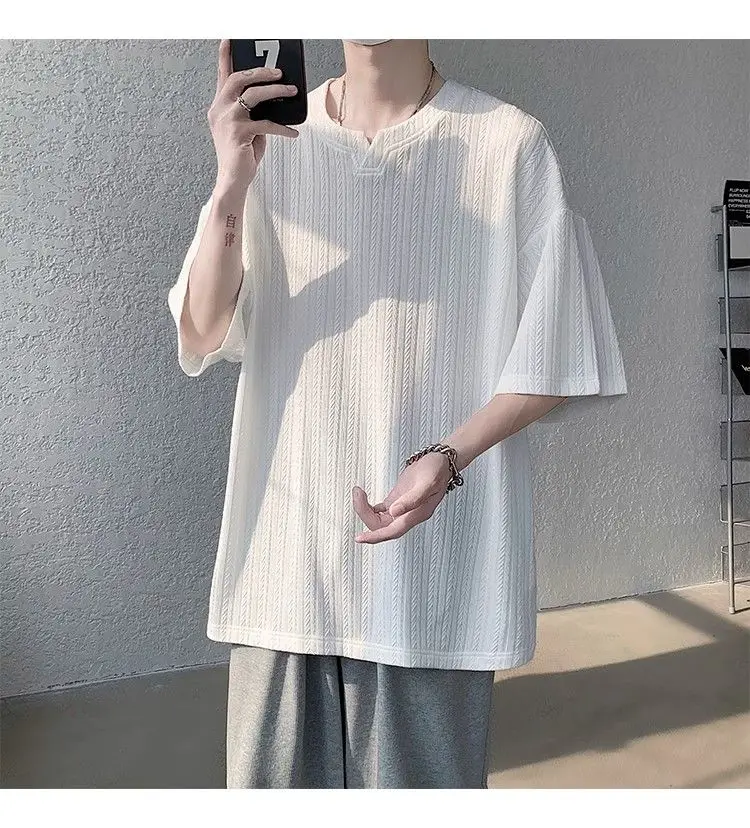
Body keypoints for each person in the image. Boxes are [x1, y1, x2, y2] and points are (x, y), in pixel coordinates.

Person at [166, 38, 628, 789]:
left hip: (429, 576)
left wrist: (447, 458)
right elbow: (202, 329)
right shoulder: (274, 144)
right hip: (285, 565)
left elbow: (558, 352)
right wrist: (230, 182)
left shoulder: (509, 143)